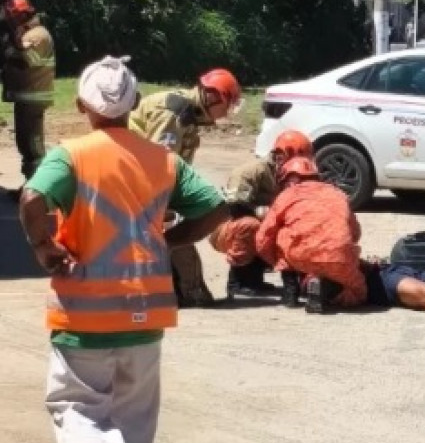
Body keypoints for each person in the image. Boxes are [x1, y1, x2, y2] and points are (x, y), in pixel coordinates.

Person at [16, 55, 229, 443]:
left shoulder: (71, 156)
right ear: (134, 105)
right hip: (147, 312)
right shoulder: (164, 160)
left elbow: (31, 200)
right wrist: (170, 238)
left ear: (83, 105)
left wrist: (45, 248)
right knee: (135, 412)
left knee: (76, 405)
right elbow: (217, 208)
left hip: (85, 313)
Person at [129, 68, 244, 306]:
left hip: (148, 179)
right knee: (193, 222)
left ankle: (187, 291)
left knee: (188, 226)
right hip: (137, 179)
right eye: (226, 105)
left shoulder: (187, 113)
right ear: (212, 97)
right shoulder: (175, 112)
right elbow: (159, 162)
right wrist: (164, 208)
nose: (226, 114)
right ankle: (189, 293)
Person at [205, 130, 314, 298]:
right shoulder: (249, 173)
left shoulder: (292, 176)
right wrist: (266, 213)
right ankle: (237, 283)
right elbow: (232, 209)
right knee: (252, 225)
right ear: (282, 156)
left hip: (260, 226)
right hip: (225, 228)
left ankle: (255, 280)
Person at [254, 156, 372, 310]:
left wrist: (275, 261)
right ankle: (327, 288)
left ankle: (291, 291)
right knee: (357, 293)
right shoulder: (338, 193)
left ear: (290, 179)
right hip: (339, 257)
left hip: (297, 256)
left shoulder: (286, 196)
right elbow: (355, 232)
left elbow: (263, 237)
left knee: (282, 235)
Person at [0, 0, 57, 194]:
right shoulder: (27, 33)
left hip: (34, 97)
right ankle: (31, 186)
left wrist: (14, 45)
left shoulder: (37, 35)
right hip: (26, 97)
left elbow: (27, 60)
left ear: (24, 15)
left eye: (13, 17)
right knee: (25, 144)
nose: (10, 21)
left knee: (33, 147)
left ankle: (39, 190)